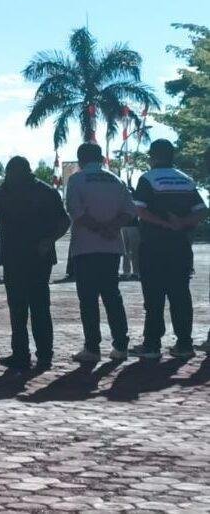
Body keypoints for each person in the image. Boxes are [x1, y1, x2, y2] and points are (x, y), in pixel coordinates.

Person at [0, 156, 71, 373]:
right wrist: (50, 239)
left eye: (9, 173)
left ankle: (30, 354)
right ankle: (34, 354)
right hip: (28, 256)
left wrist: (48, 239)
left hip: (26, 255)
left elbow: (64, 221)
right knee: (30, 307)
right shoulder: (44, 191)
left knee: (25, 308)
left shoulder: (15, 191)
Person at [129, 140, 207, 359]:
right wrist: (182, 224)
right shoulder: (186, 180)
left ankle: (152, 345)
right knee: (181, 295)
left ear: (153, 156)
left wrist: (164, 224)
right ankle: (184, 344)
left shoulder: (148, 179)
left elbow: (139, 210)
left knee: (154, 297)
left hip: (153, 247)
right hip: (181, 247)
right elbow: (203, 211)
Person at [66, 143, 136, 363]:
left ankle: (92, 348)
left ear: (80, 160)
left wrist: (98, 228)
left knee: (88, 299)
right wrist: (112, 228)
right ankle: (121, 345)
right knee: (112, 296)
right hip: (111, 247)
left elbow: (76, 212)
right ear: (102, 158)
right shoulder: (116, 180)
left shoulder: (76, 180)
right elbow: (129, 212)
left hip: (86, 247)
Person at [120, 214, 140, 280]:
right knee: (124, 250)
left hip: (132, 225)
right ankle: (126, 272)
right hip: (123, 225)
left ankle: (135, 272)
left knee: (134, 250)